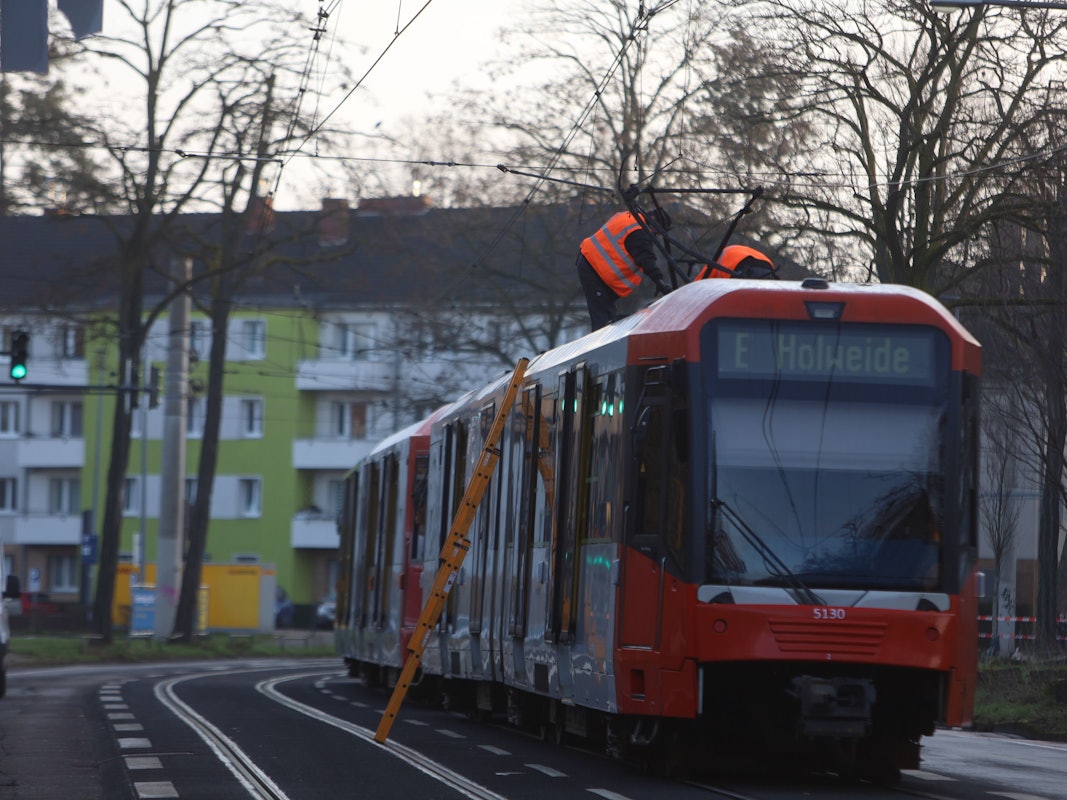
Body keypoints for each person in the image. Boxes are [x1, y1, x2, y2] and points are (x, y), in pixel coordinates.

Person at [577, 208, 672, 331]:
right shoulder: (639, 232)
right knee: (602, 321)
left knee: (606, 317)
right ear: (654, 221)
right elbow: (646, 259)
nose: (655, 236)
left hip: (593, 265)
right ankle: (602, 347)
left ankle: (605, 342)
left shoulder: (628, 217)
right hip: (595, 269)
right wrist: (660, 282)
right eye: (657, 232)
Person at [696, 244, 776, 280]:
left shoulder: (710, 271)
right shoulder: (724, 256)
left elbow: (698, 287)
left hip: (742, 267)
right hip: (767, 267)